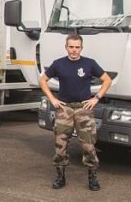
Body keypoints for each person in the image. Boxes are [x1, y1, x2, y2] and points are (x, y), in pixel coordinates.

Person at [39, 34, 112, 191]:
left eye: (77, 47)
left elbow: (107, 80)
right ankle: (60, 175)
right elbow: (42, 80)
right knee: (60, 145)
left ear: (81, 48)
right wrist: (52, 99)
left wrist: (96, 98)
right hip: (64, 109)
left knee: (88, 145)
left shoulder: (89, 63)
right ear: (66, 47)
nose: (74, 50)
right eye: (71, 47)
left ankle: (92, 176)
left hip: (83, 109)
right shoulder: (58, 64)